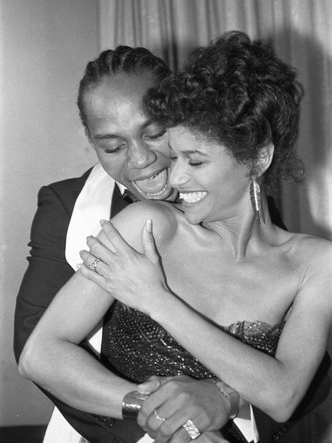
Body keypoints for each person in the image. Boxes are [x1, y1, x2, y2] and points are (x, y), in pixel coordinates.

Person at [18, 32, 332, 443]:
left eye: (155, 136)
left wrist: (221, 395)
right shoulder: (137, 221)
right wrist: (170, 422)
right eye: (112, 145)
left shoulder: (302, 250)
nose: (167, 172)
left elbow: (289, 385)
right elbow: (39, 351)